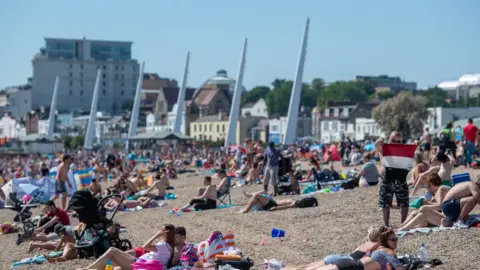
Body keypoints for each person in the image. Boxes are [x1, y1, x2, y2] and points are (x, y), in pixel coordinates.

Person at [79, 224, 176, 270]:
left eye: (161, 230)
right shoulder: (167, 246)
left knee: (112, 251)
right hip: (141, 263)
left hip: (140, 265)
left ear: (166, 233)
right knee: (110, 264)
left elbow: (145, 247)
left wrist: (156, 235)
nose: (159, 230)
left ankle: (87, 268)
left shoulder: (164, 245)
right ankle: (93, 269)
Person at [292, 225, 385, 269]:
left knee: (302, 267)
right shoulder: (377, 246)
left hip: (339, 257)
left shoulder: (364, 244)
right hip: (343, 262)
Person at [375, 132, 410, 227]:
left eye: (399, 141)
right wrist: (380, 140)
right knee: (385, 203)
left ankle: (404, 223)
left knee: (404, 202)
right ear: (389, 140)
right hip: (387, 179)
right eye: (394, 140)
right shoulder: (385, 149)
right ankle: (386, 224)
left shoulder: (404, 149)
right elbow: (378, 146)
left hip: (401, 178)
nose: (396, 142)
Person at [239, 190, 317, 213]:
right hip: (272, 202)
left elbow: (287, 206)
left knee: (256, 196)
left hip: (271, 204)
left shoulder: (296, 203)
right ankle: (249, 195)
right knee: (262, 192)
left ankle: (246, 210)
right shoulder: (295, 202)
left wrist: (276, 209)